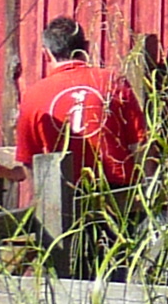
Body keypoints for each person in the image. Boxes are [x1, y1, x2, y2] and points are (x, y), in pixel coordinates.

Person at [11, 19, 148, 191]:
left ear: (46, 54)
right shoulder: (112, 81)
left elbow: (28, 159)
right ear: (86, 47)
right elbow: (140, 143)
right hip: (120, 193)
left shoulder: (33, 95)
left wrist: (42, 200)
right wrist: (148, 192)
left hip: (64, 195)